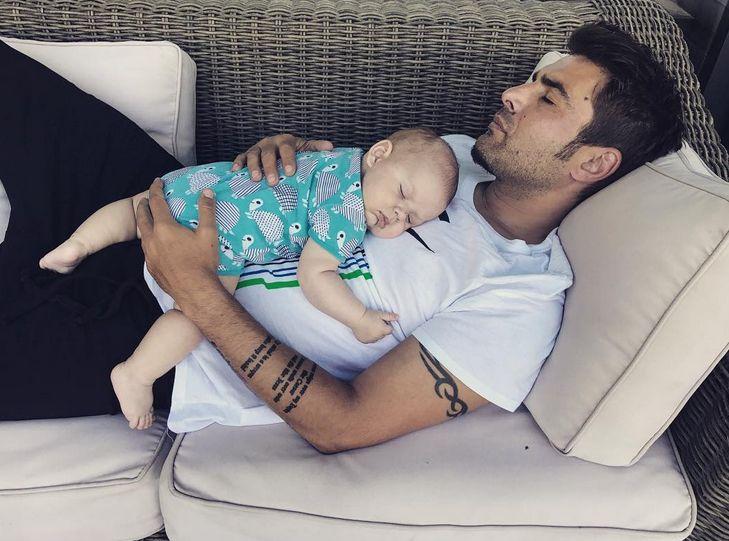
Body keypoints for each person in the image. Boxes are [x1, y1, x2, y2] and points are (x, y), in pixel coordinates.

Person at [135, 22, 684, 450]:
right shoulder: (455, 156)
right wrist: (283, 159)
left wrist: (195, 290)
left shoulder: (522, 297)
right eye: (532, 82)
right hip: (185, 214)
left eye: (549, 98)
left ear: (593, 164)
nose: (513, 93)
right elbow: (340, 183)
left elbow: (342, 425)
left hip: (161, 337)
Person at [38, 127, 459, 429]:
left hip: (201, 185)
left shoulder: (338, 158)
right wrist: (359, 318)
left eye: (411, 219)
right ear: (379, 155)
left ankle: (77, 245)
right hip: (223, 238)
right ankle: (136, 374)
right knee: (200, 314)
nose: (396, 215)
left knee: (136, 209)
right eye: (401, 194)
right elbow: (315, 276)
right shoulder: (347, 215)